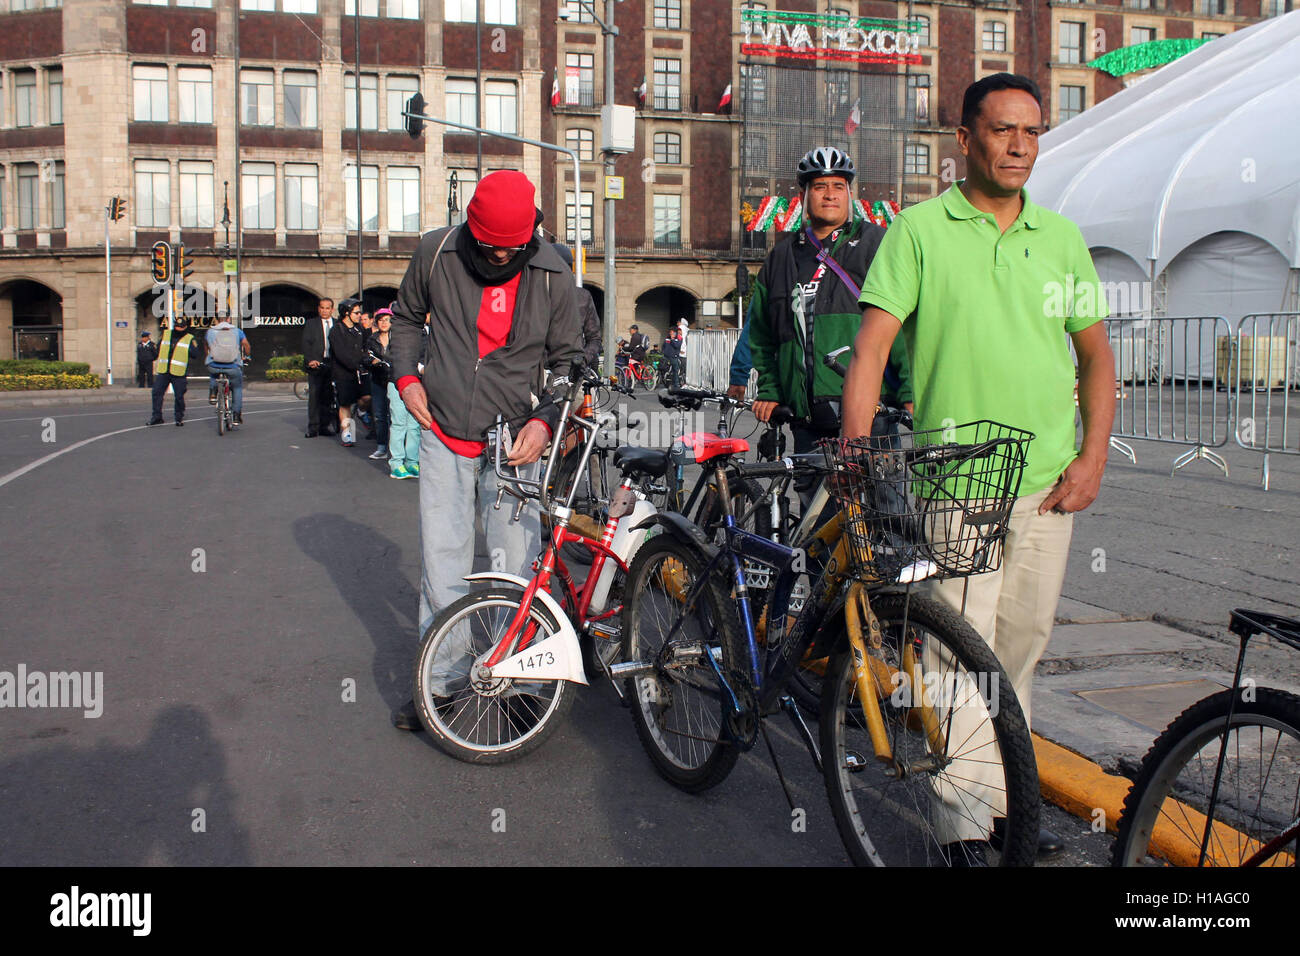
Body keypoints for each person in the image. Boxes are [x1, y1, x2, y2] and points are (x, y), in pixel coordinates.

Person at [841, 73, 1116, 863]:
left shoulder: (1059, 238)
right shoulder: (921, 231)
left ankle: (1001, 814)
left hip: (1049, 486)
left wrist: (1093, 454)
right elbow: (872, 352)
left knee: (1019, 653)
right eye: (1002, 130)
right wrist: (858, 461)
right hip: (956, 484)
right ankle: (964, 834)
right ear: (965, 139)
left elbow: (1095, 358)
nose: (1020, 145)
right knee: (956, 656)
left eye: (1032, 132)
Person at [387, 169, 582, 730]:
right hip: (445, 430)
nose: (497, 257)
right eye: (488, 246)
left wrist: (546, 422)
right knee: (442, 566)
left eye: (510, 249)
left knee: (514, 568)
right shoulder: (437, 251)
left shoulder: (553, 272)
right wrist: (407, 379)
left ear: (531, 235)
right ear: (471, 226)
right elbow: (403, 319)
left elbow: (568, 362)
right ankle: (440, 687)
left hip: (516, 439)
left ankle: (517, 681)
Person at [745, 146, 912, 476]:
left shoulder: (878, 243)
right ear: (804, 194)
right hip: (809, 419)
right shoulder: (781, 257)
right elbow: (762, 334)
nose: (830, 195)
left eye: (838, 186)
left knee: (888, 515)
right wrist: (770, 391)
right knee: (819, 519)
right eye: (820, 186)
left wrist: (908, 391)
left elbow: (903, 326)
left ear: (850, 193)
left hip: (872, 413)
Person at [551, 243, 601, 367]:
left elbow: (594, 337)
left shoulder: (583, 297)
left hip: (570, 368)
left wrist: (582, 359)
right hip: (540, 369)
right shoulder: (536, 294)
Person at [329, 298, 366, 446]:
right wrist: (355, 364)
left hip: (359, 372)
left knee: (366, 398)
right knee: (345, 404)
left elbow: (364, 349)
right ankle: (347, 435)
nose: (359, 315)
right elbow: (340, 353)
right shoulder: (337, 330)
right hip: (343, 373)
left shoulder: (359, 330)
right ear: (346, 313)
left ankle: (362, 412)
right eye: (356, 312)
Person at [147, 317, 196, 426]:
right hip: (164, 371)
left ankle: (179, 418)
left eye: (181, 327)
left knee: (179, 396)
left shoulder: (189, 338)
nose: (178, 329)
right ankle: (156, 417)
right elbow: (158, 349)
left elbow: (195, 354)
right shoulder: (166, 334)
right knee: (156, 393)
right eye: (177, 327)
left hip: (178, 373)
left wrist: (189, 350)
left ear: (185, 327)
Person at [205, 316, 251, 426]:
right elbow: (246, 344)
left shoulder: (210, 331)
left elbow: (206, 345)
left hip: (214, 365)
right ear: (229, 319)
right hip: (233, 366)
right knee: (237, 388)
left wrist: (209, 355)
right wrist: (248, 356)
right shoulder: (237, 331)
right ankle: (236, 415)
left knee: (213, 372)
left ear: (217, 320)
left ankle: (213, 393)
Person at [301, 297, 336, 438]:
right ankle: (313, 427)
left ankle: (324, 426)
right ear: (318, 308)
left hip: (332, 364)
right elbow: (306, 343)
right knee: (314, 397)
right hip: (316, 364)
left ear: (332, 310)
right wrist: (310, 360)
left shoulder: (337, 324)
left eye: (327, 308)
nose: (324, 310)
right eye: (322, 307)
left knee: (328, 397)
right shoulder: (311, 324)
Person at [365, 307, 393, 461]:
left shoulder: (397, 338)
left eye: (387, 320)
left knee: (396, 417)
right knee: (380, 415)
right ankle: (381, 447)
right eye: (381, 320)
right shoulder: (371, 339)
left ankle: (395, 449)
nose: (384, 323)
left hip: (394, 380)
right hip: (377, 380)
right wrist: (372, 362)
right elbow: (365, 358)